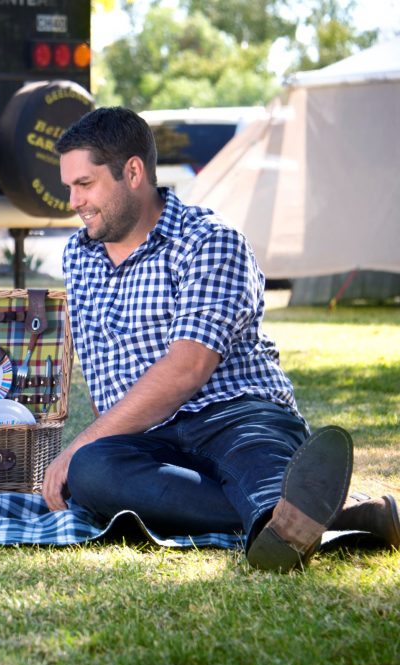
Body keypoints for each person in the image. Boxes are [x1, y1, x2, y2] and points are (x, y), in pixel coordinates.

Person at [43, 107, 399, 571]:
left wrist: (75, 445)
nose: (72, 200)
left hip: (234, 414)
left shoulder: (210, 242)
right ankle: (315, 515)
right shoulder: (80, 255)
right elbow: (101, 365)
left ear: (132, 172)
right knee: (92, 472)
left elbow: (187, 369)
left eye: (84, 184)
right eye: (69, 186)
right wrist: (87, 451)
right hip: (148, 438)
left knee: (254, 459)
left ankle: (281, 518)